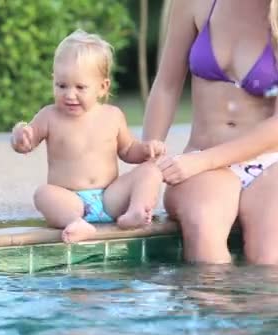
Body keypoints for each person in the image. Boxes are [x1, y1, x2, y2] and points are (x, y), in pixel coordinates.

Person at [143, 0, 278, 264]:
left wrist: (201, 161)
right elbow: (166, 87)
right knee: (206, 250)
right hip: (206, 160)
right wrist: (150, 165)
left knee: (270, 264)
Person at [11, 29, 166, 244]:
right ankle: (76, 222)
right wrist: (20, 134)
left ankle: (136, 212)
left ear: (103, 87)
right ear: (53, 81)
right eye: (61, 85)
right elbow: (25, 144)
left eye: (80, 87)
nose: (69, 94)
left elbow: (128, 150)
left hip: (112, 197)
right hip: (71, 199)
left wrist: (146, 149)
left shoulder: (113, 116)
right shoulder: (49, 116)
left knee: (151, 171)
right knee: (43, 194)